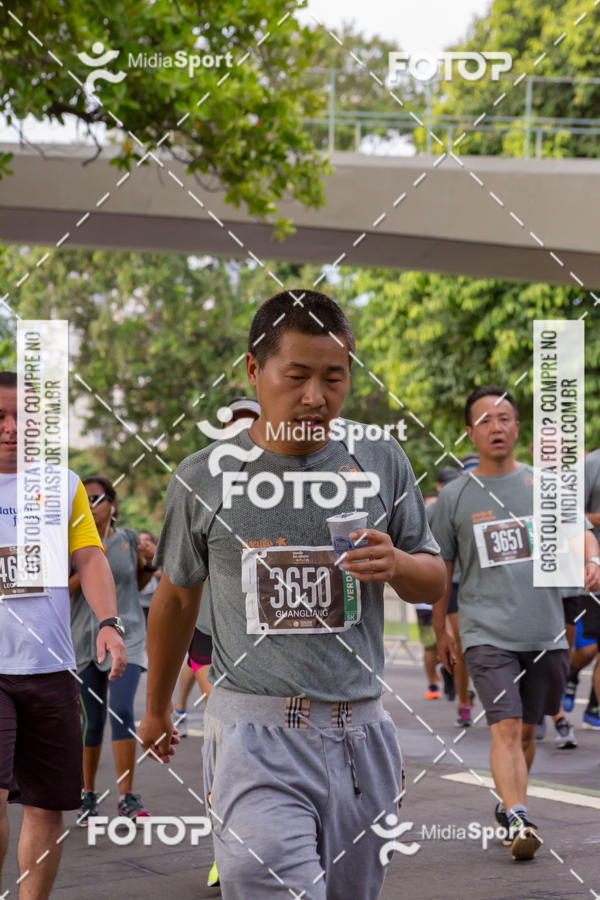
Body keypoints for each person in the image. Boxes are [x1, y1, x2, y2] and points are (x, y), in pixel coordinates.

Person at [140, 290, 445, 899]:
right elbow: (176, 599)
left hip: (361, 736)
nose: (316, 397)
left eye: (334, 377)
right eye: (297, 376)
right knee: (268, 879)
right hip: (253, 735)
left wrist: (398, 563)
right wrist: (155, 710)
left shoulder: (380, 459)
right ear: (255, 371)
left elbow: (435, 577)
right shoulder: (204, 476)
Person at [432, 385, 599, 861]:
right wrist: (442, 627)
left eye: (504, 418)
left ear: (517, 428)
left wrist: (594, 560)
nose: (496, 427)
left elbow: (581, 533)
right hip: (487, 634)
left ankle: (509, 806)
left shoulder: (545, 487)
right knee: (504, 729)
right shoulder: (456, 498)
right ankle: (521, 815)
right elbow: (441, 567)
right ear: (469, 432)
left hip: (544, 629)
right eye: (484, 420)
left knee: (526, 732)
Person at [0, 371, 126, 899]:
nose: (10, 429)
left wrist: (109, 623)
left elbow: (90, 558)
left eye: (20, 418)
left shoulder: (62, 484)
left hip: (51, 670)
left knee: (48, 807)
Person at [70, 476, 153, 825]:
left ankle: (126, 796)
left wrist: (147, 562)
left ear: (112, 504)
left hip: (127, 636)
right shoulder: (70, 543)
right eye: (84, 499)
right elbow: (62, 589)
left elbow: (138, 583)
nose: (90, 505)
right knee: (91, 721)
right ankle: (87, 796)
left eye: (97, 498)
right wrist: (90, 564)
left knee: (121, 710)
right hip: (84, 642)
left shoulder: (128, 540)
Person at [138, 531, 159, 624]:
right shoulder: (135, 559)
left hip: (153, 605)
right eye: (140, 540)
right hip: (139, 605)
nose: (144, 543)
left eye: (146, 540)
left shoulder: (159, 558)